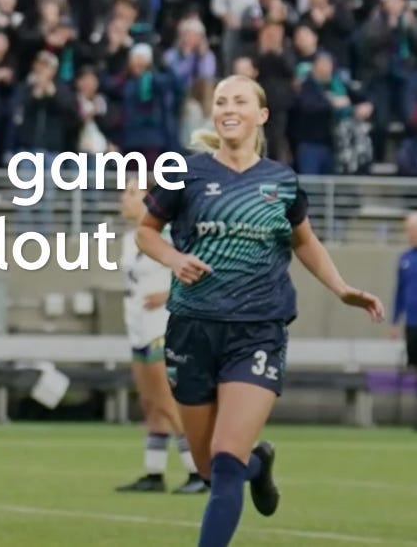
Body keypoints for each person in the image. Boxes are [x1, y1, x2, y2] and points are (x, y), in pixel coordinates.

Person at [138, 74, 384, 547]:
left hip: (257, 331)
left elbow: (304, 241)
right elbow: (146, 231)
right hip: (192, 328)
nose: (228, 109)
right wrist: (173, 258)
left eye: (239, 101)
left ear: (261, 115)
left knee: (225, 460)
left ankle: (241, 469)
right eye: (221, 101)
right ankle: (258, 465)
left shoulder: (281, 181)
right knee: (210, 468)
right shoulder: (184, 172)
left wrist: (341, 288)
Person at [114, 180, 205, 494]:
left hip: (163, 327)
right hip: (138, 327)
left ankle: (198, 471)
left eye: (131, 193)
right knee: (150, 403)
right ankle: (154, 472)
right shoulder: (130, 240)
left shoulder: (170, 236)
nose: (123, 199)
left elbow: (198, 273)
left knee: (168, 402)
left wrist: (169, 294)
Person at [392, 212, 417, 419]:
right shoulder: (404, 259)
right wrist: (394, 321)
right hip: (412, 324)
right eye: (409, 230)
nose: (411, 234)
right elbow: (399, 292)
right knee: (414, 368)